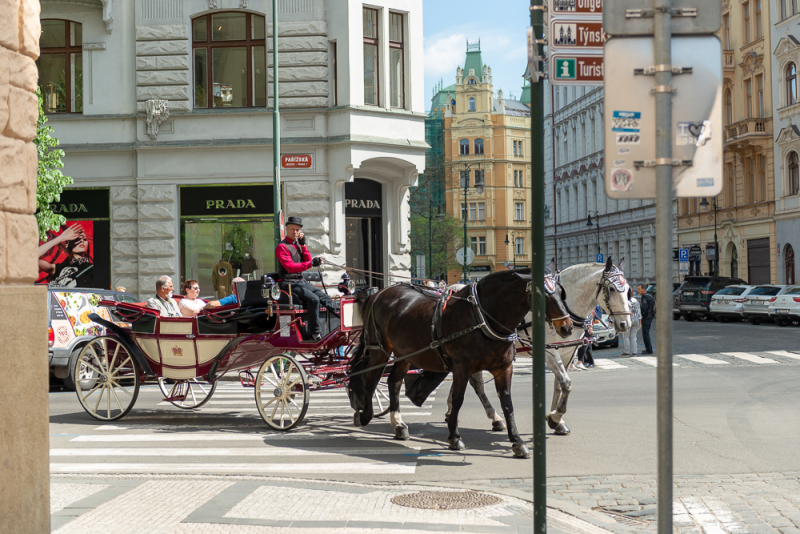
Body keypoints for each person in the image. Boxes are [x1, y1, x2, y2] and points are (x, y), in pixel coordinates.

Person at [276, 216, 337, 341]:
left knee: (325, 297)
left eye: (297, 230)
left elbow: (308, 260)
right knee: (314, 299)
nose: (295, 232)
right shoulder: (282, 247)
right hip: (288, 283)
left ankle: (342, 320)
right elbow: (290, 267)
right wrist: (311, 264)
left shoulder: (298, 245)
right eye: (293, 229)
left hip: (300, 282)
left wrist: (303, 245)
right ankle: (315, 333)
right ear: (287, 229)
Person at [638, 284, 655, 354]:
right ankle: (649, 349)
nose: (638, 291)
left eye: (639, 289)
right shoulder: (650, 296)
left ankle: (649, 349)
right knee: (647, 332)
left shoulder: (644, 297)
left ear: (644, 289)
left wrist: (641, 315)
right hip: (650, 316)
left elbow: (644, 306)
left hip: (646, 316)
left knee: (645, 333)